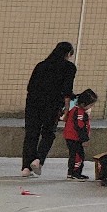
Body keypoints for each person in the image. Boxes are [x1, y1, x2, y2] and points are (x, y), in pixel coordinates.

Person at [22, 42, 78, 177]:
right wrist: (66, 109)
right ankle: (38, 160)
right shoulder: (69, 67)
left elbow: (30, 86)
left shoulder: (41, 65)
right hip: (52, 104)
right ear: (68, 54)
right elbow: (67, 90)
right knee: (48, 133)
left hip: (33, 103)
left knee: (31, 134)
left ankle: (26, 168)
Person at [65, 88, 98, 180]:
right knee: (77, 156)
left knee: (76, 155)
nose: (91, 107)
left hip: (73, 137)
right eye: (90, 105)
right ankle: (74, 173)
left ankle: (74, 172)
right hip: (74, 138)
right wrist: (84, 139)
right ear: (83, 104)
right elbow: (80, 127)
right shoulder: (79, 112)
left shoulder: (77, 110)